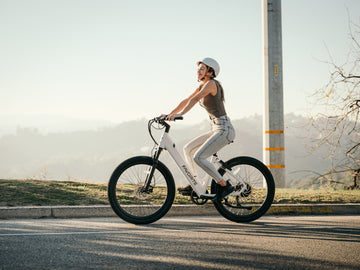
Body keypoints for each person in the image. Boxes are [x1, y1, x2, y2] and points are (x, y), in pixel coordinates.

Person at [164, 57, 236, 201]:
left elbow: (195, 99)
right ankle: (195, 183)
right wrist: (169, 114)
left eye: (202, 68)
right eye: (199, 68)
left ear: (210, 72)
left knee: (199, 157)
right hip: (216, 128)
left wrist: (181, 114)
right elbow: (186, 100)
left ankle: (224, 185)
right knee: (188, 149)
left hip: (224, 129)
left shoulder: (211, 84)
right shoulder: (203, 85)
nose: (198, 71)